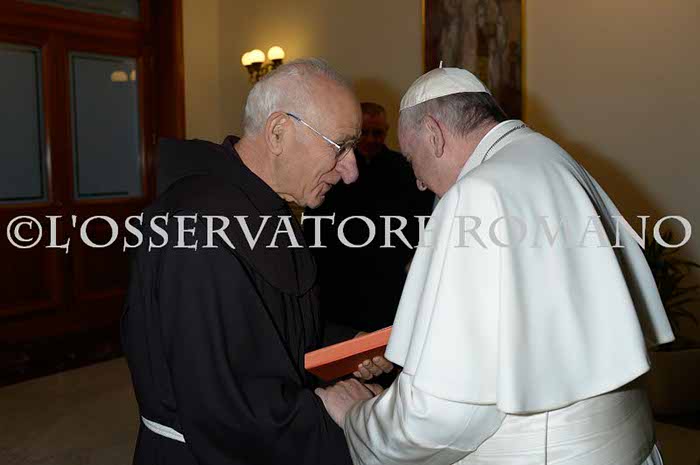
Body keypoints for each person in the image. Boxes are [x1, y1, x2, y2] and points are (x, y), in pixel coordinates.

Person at [315, 67, 674, 464]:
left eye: (413, 161)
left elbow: (443, 416)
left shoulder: (477, 194)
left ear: (434, 134)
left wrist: (357, 415)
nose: (419, 183)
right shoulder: (551, 156)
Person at [121, 58, 391, 465]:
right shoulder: (198, 225)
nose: (351, 171)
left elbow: (270, 328)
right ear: (278, 132)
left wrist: (345, 345)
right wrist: (324, 408)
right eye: (340, 146)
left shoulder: (266, 206)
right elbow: (221, 408)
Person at [306, 102, 434, 332]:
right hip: (339, 283)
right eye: (364, 133)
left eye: (378, 133)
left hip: (390, 282)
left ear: (387, 132)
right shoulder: (333, 168)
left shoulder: (406, 169)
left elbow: (424, 220)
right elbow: (315, 224)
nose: (371, 139)